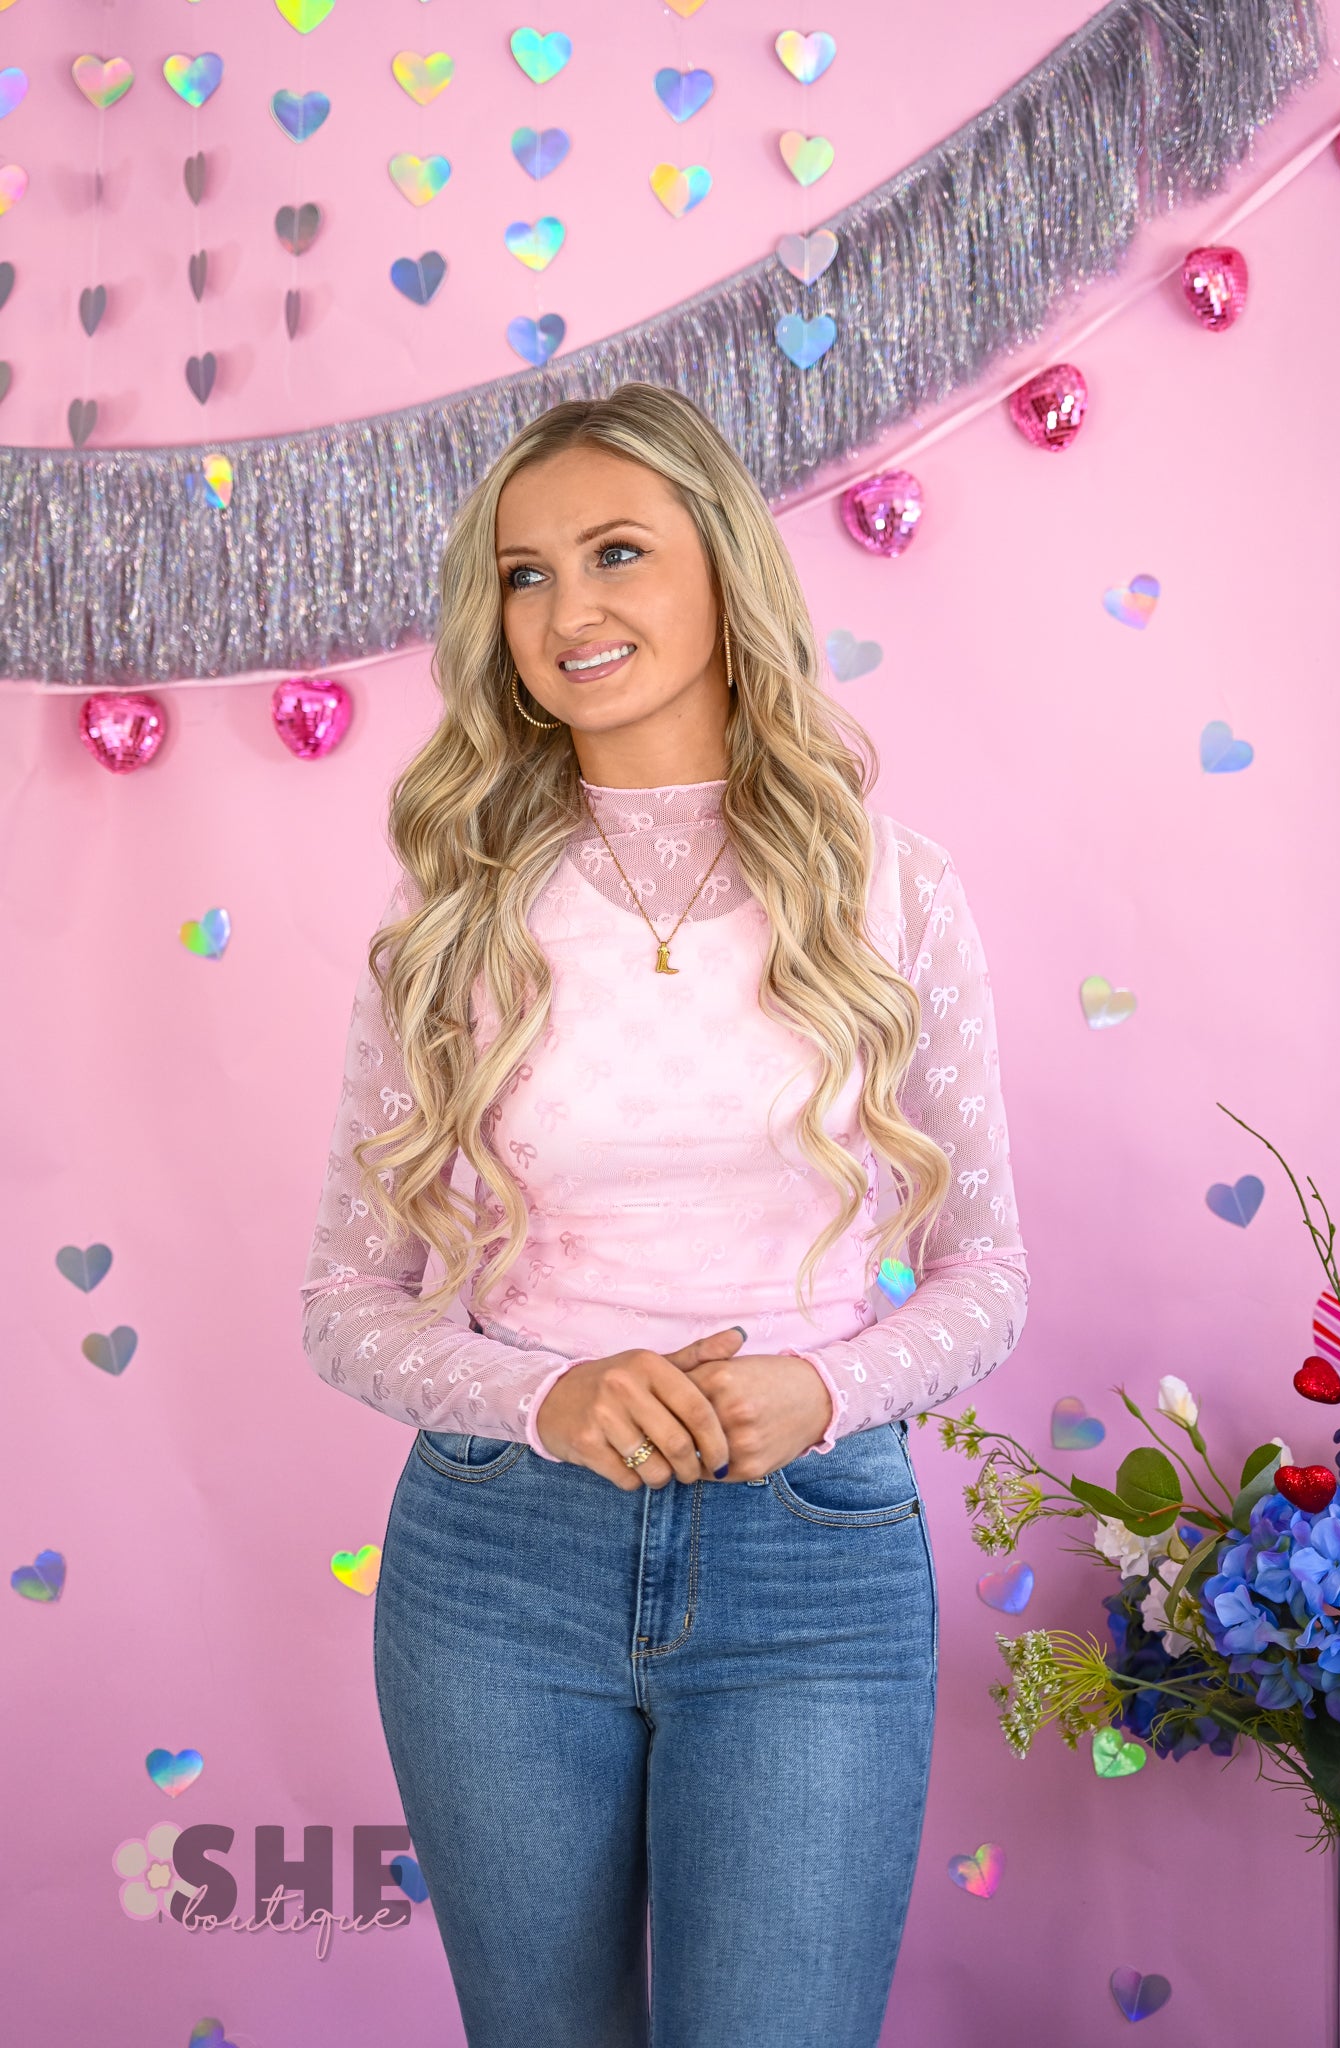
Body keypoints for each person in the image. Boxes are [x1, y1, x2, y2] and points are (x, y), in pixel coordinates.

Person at [299, 380, 1030, 2048]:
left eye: (614, 551)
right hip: (497, 1561)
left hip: (815, 1560)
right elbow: (345, 1298)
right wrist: (545, 1393)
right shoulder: (451, 909)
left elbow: (989, 1271)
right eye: (522, 573)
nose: (567, 610)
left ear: (722, 568)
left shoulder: (888, 886)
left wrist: (825, 1389)